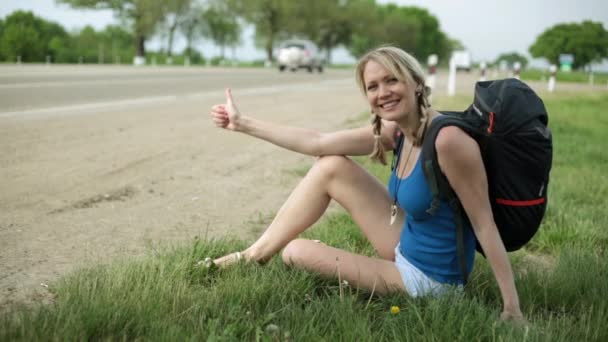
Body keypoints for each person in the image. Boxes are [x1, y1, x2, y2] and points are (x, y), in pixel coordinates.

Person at [208, 46, 524, 322]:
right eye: (373, 86)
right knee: (331, 165)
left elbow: (485, 225)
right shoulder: (398, 131)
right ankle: (253, 255)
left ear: (415, 82)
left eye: (391, 80)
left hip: (431, 280)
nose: (382, 92)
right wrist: (242, 124)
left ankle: (297, 254)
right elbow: (318, 142)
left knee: (294, 251)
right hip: (407, 241)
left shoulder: (449, 142)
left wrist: (512, 308)